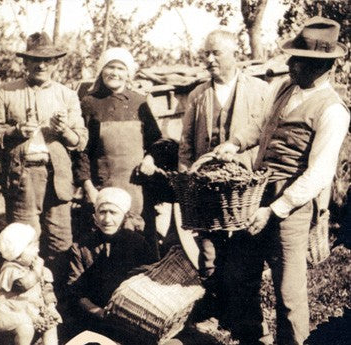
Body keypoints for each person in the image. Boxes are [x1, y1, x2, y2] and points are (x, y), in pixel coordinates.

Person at [214, 16, 350, 345]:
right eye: (293, 56)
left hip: (292, 207)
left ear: (324, 67)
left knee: (288, 294)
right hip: (256, 195)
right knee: (239, 277)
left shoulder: (333, 111)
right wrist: (233, 144)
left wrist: (275, 210)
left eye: (301, 60)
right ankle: (253, 338)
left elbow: (318, 174)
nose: (291, 64)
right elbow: (260, 125)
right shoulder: (283, 88)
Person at [177, 29, 271, 344]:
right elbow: (187, 144)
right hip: (207, 194)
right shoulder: (198, 95)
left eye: (216, 53)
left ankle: (249, 324)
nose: (210, 59)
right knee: (209, 255)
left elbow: (267, 140)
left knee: (245, 259)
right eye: (207, 53)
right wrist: (187, 180)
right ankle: (213, 315)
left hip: (243, 195)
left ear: (235, 55)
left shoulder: (260, 90)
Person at [0, 32, 88, 286]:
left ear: (55, 63)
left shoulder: (67, 95)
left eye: (48, 60)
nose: (41, 65)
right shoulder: (6, 92)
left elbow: (81, 140)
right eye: (34, 60)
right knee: (24, 241)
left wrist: (64, 130)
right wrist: (16, 131)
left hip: (57, 176)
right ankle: (26, 301)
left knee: (60, 240)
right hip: (22, 176)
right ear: (25, 62)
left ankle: (60, 304)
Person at [74, 47, 162, 232]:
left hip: (136, 189)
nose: (115, 73)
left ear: (128, 73)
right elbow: (81, 151)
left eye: (121, 68)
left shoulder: (140, 102)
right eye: (110, 67)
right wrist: (89, 188)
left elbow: (156, 142)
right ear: (101, 71)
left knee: (139, 239)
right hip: (103, 188)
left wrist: (150, 158)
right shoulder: (89, 103)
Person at [66, 187, 155, 338]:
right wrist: (99, 312)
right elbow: (76, 291)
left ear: (124, 216)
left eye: (113, 213)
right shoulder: (80, 248)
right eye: (102, 212)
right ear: (95, 216)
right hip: (94, 317)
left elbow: (151, 280)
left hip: (133, 317)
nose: (107, 220)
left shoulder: (137, 243)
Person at [0, 223, 61, 345]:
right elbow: (23, 284)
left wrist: (51, 306)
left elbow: (47, 288)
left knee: (51, 325)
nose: (38, 250)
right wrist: (37, 270)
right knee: (25, 329)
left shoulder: (37, 268)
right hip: (12, 310)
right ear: (17, 253)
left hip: (33, 310)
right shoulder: (10, 270)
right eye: (33, 247)